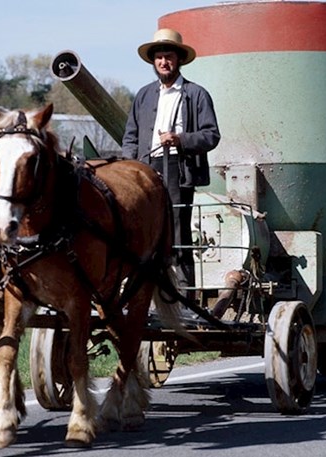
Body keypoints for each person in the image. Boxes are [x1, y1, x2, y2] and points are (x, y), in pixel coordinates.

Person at [122, 28, 220, 300]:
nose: (164, 62)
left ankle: (186, 300)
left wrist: (181, 139)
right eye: (159, 58)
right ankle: (143, 297)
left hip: (179, 168)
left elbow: (211, 135)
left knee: (177, 232)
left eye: (168, 57)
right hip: (146, 169)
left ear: (178, 60)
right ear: (153, 63)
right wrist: (131, 168)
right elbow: (130, 135)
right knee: (141, 231)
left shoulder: (197, 94)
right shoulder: (143, 95)